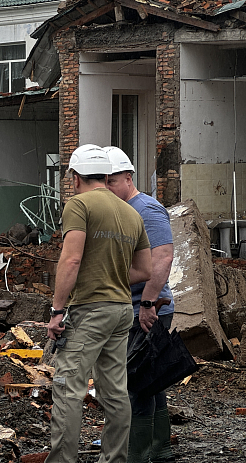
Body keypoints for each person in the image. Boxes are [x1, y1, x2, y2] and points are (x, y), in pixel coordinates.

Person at [46, 144, 152, 463]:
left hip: (89, 310)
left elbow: (72, 258)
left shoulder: (79, 205)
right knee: (116, 392)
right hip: (121, 311)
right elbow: (145, 269)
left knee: (67, 387)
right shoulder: (131, 212)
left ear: (76, 178)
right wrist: (113, 277)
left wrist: (57, 309)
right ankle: (115, 459)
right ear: (106, 176)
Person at [105, 146, 176, 463]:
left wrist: (148, 303)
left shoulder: (146, 209)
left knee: (136, 384)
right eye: (102, 181)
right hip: (131, 308)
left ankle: (137, 454)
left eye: (111, 180)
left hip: (148, 309)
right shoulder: (117, 211)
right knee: (152, 380)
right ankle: (160, 448)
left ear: (128, 177)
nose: (106, 187)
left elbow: (163, 257)